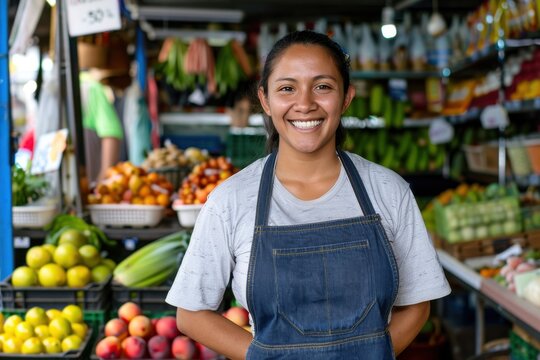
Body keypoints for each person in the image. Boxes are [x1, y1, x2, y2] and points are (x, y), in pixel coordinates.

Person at [166, 30, 451, 359]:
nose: (304, 104)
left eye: (323, 86)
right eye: (287, 88)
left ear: (346, 98)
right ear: (265, 100)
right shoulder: (230, 200)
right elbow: (191, 315)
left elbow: (417, 304)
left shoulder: (388, 191)